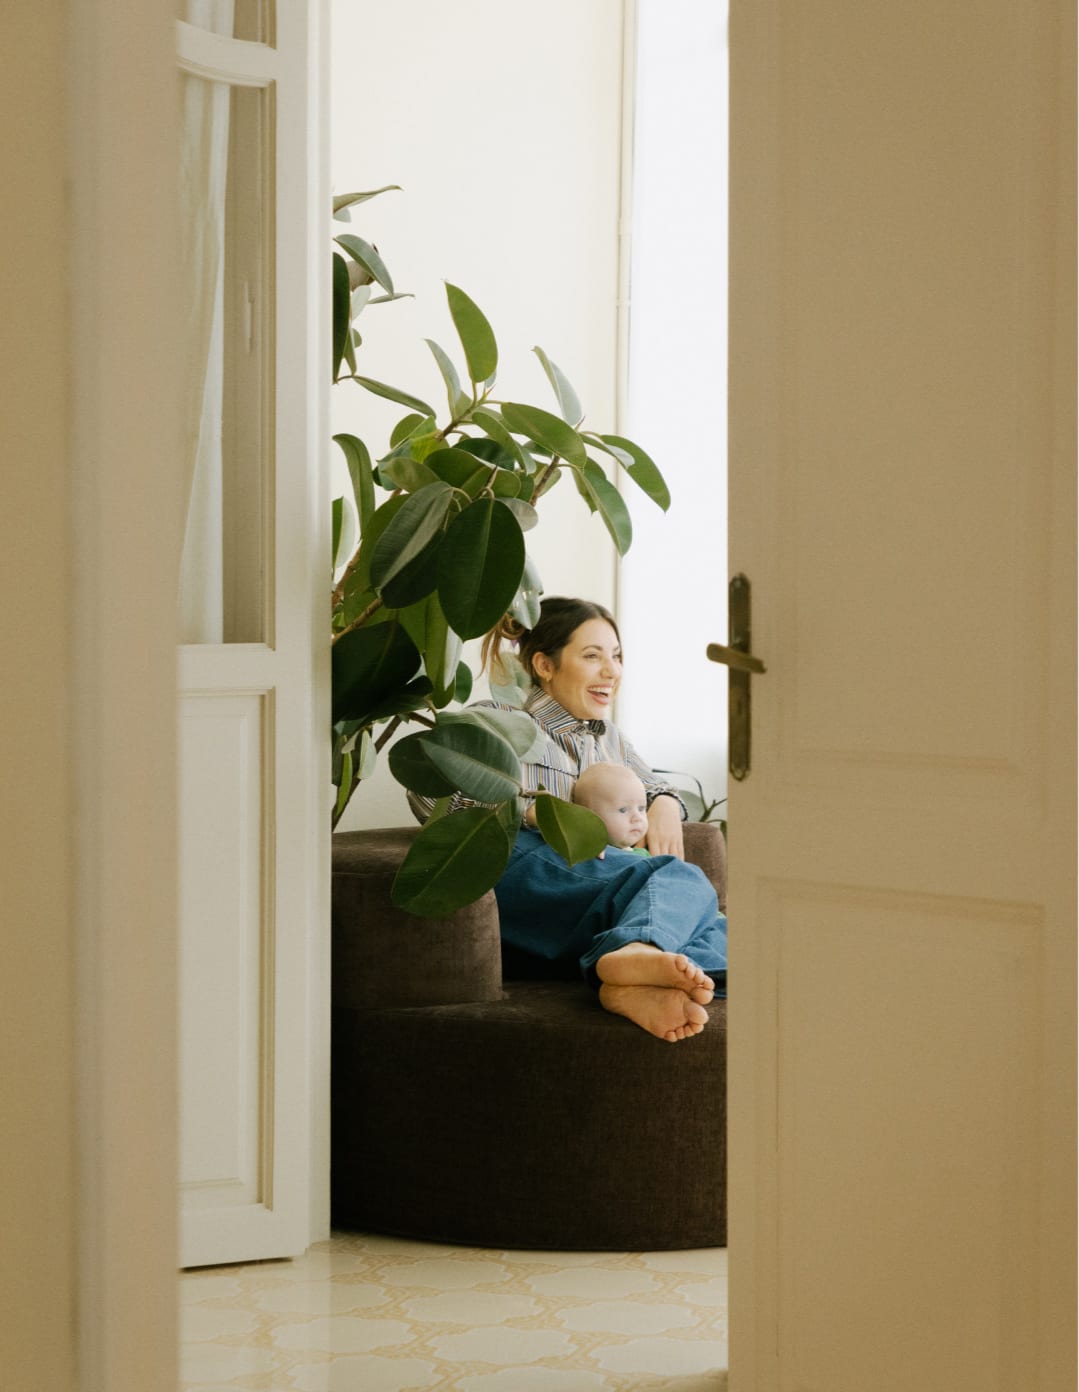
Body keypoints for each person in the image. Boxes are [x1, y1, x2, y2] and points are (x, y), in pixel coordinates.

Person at [427, 596, 728, 1043]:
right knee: (679, 877)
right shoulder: (498, 719)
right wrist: (536, 812)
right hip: (521, 868)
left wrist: (664, 802)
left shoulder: (611, 740)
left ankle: (626, 976)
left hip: (589, 899)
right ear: (545, 665)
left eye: (617, 656)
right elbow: (430, 791)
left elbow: (653, 784)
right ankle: (635, 952)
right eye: (592, 656)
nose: (612, 671)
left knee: (724, 933)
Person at [571, 761, 651, 856]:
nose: (637, 818)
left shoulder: (644, 855)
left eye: (641, 808)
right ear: (589, 817)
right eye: (623, 810)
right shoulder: (588, 852)